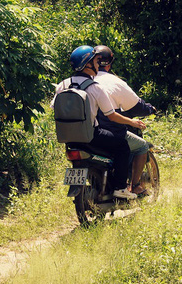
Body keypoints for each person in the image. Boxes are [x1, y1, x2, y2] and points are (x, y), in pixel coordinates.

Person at [52, 45, 146, 200]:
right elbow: (112, 116)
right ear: (87, 64)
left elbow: (55, 108)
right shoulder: (95, 87)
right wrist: (133, 122)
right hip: (91, 136)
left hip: (68, 138)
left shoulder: (63, 84)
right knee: (122, 146)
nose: (98, 65)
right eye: (96, 62)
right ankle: (121, 188)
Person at [93, 45, 156, 196]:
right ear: (109, 63)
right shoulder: (114, 82)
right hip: (107, 133)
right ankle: (134, 186)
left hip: (84, 132)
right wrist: (150, 109)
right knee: (141, 146)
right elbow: (135, 106)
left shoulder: (82, 81)